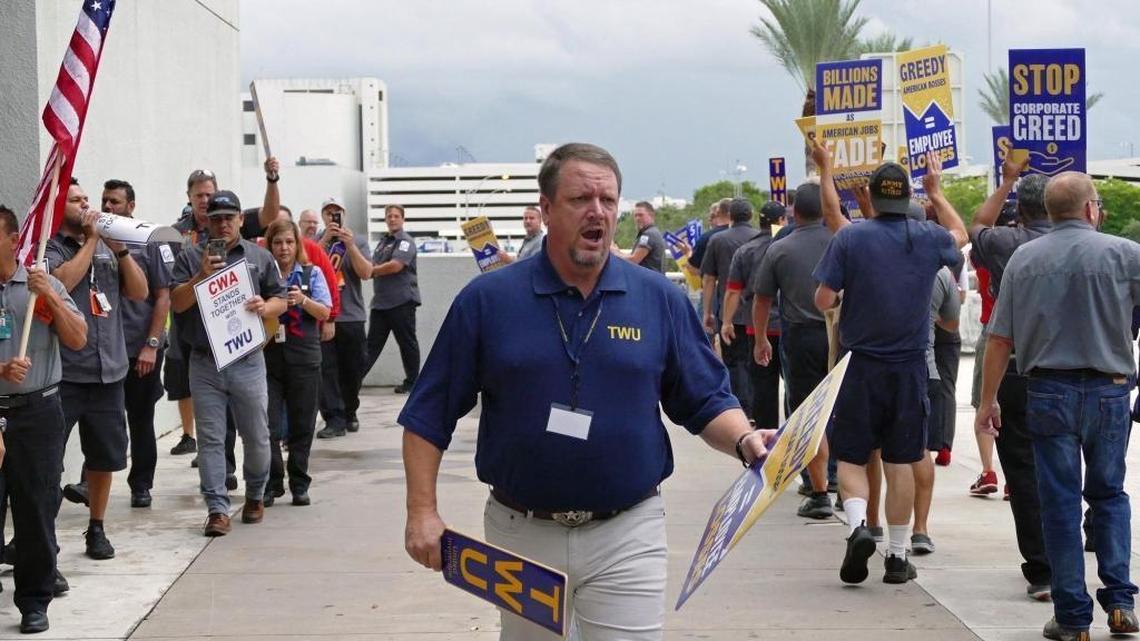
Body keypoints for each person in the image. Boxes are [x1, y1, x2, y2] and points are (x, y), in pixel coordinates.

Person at [399, 143, 774, 641]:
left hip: (628, 531)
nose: (598, 211)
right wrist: (421, 512)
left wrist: (747, 441)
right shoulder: (488, 301)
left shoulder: (657, 298)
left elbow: (705, 399)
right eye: (580, 199)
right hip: (519, 536)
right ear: (547, 208)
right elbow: (429, 414)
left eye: (608, 200)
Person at [976, 171, 1140, 641]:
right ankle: (1121, 602)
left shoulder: (1024, 260)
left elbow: (999, 338)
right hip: (1110, 392)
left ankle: (1072, 615)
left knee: (1060, 501)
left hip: (1048, 392)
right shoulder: (1125, 254)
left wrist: (988, 402)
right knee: (1109, 494)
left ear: (1049, 211)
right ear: (1091, 209)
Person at [812, 142, 966, 585]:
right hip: (909, 366)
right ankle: (897, 557)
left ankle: (860, 526)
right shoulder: (929, 238)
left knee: (854, 457)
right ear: (908, 200)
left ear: (875, 199)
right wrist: (936, 192)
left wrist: (841, 295)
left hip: (858, 365)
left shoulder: (850, 237)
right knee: (902, 459)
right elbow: (961, 235)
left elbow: (822, 298)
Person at [170, 190, 287, 537]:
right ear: (207, 220)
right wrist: (200, 277)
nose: (223, 224)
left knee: (256, 435)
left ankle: (254, 494)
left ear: (240, 219)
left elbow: (280, 297)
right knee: (210, 439)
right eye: (216, 217)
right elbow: (176, 303)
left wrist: (266, 307)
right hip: (205, 363)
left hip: (247, 359)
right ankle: (217, 509)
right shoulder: (191, 256)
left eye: (229, 217)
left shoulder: (259, 256)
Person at [47, 178, 148, 562]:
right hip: (68, 373)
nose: (87, 205)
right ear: (60, 207)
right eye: (77, 200)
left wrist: (119, 251)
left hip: (109, 373)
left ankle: (98, 528)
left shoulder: (109, 247)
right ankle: (43, 535)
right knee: (49, 460)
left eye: (87, 199)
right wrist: (91, 241)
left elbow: (138, 292)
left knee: (105, 457)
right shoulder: (52, 248)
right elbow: (61, 285)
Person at [968, 156, 1054, 600]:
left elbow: (977, 223)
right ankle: (1073, 557)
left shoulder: (1005, 243)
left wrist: (1005, 181)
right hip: (1071, 372)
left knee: (1021, 470)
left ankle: (1042, 570)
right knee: (1066, 467)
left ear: (1019, 209)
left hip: (1017, 369)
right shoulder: (1088, 244)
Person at [0, 204, 87, 634]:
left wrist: (51, 294)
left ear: (15, 239)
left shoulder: (39, 287)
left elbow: (77, 337)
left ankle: (34, 600)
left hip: (36, 412)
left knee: (35, 511)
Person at [752, 183, 834, 521]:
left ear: (793, 211)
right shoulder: (842, 241)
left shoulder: (780, 249)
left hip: (801, 339)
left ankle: (819, 491)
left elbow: (762, 300)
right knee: (841, 408)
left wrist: (760, 339)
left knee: (807, 414)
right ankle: (846, 483)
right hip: (841, 335)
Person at [102, 179, 173, 509]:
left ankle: (141, 484)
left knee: (140, 419)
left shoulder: (151, 241)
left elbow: (163, 297)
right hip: (106, 351)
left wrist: (152, 345)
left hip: (139, 350)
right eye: (105, 201)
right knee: (103, 419)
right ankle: (94, 480)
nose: (108, 207)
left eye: (115, 202)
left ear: (131, 206)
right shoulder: (97, 241)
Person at [263, 219, 331, 506]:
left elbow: (325, 312)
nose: (284, 248)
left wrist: (302, 300)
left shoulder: (311, 273)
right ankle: (272, 480)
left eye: (289, 242)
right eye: (278, 242)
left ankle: (299, 482)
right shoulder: (263, 275)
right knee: (268, 425)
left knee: (303, 425)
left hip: (304, 358)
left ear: (297, 244)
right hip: (269, 359)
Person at [167, 169, 217, 460]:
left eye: (209, 194)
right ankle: (189, 435)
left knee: (210, 379)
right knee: (181, 376)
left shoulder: (225, 224)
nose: (204, 199)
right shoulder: (175, 232)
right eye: (199, 194)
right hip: (184, 312)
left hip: (216, 315)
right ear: (189, 196)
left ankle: (211, 442)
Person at [720, 199, 784, 427]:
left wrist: (727, 322)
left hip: (756, 329)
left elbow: (733, 291)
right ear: (782, 220)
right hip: (788, 327)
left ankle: (766, 442)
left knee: (763, 388)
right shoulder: (787, 246)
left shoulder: (744, 251)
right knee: (795, 391)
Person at [911, 262, 960, 556]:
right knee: (918, 450)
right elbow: (952, 322)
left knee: (874, 453)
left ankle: (871, 522)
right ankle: (919, 529)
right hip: (922, 367)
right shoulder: (941, 272)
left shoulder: (867, 254)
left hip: (874, 366)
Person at [316, 197, 373, 438]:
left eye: (336, 212)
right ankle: (334, 418)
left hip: (351, 316)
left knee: (353, 368)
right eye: (328, 213)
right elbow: (307, 264)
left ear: (344, 214)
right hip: (324, 315)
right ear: (323, 217)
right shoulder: (317, 242)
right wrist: (325, 240)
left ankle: (350, 410)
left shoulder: (357, 240)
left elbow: (367, 272)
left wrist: (350, 246)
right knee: (326, 371)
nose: (333, 217)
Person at [366, 204, 420, 394]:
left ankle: (413, 382)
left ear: (403, 219)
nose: (393, 219)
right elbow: (373, 263)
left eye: (396, 216)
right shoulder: (383, 242)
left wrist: (371, 271)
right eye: (389, 216)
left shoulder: (405, 241)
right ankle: (353, 382)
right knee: (370, 347)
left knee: (407, 344)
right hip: (381, 303)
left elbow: (396, 265)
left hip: (402, 302)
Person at [613, 201, 665, 272]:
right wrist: (618, 252)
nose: (637, 218)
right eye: (635, 215)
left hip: (648, 281)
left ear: (651, 215)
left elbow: (633, 260)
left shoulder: (648, 235)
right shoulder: (653, 232)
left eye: (641, 215)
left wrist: (615, 252)